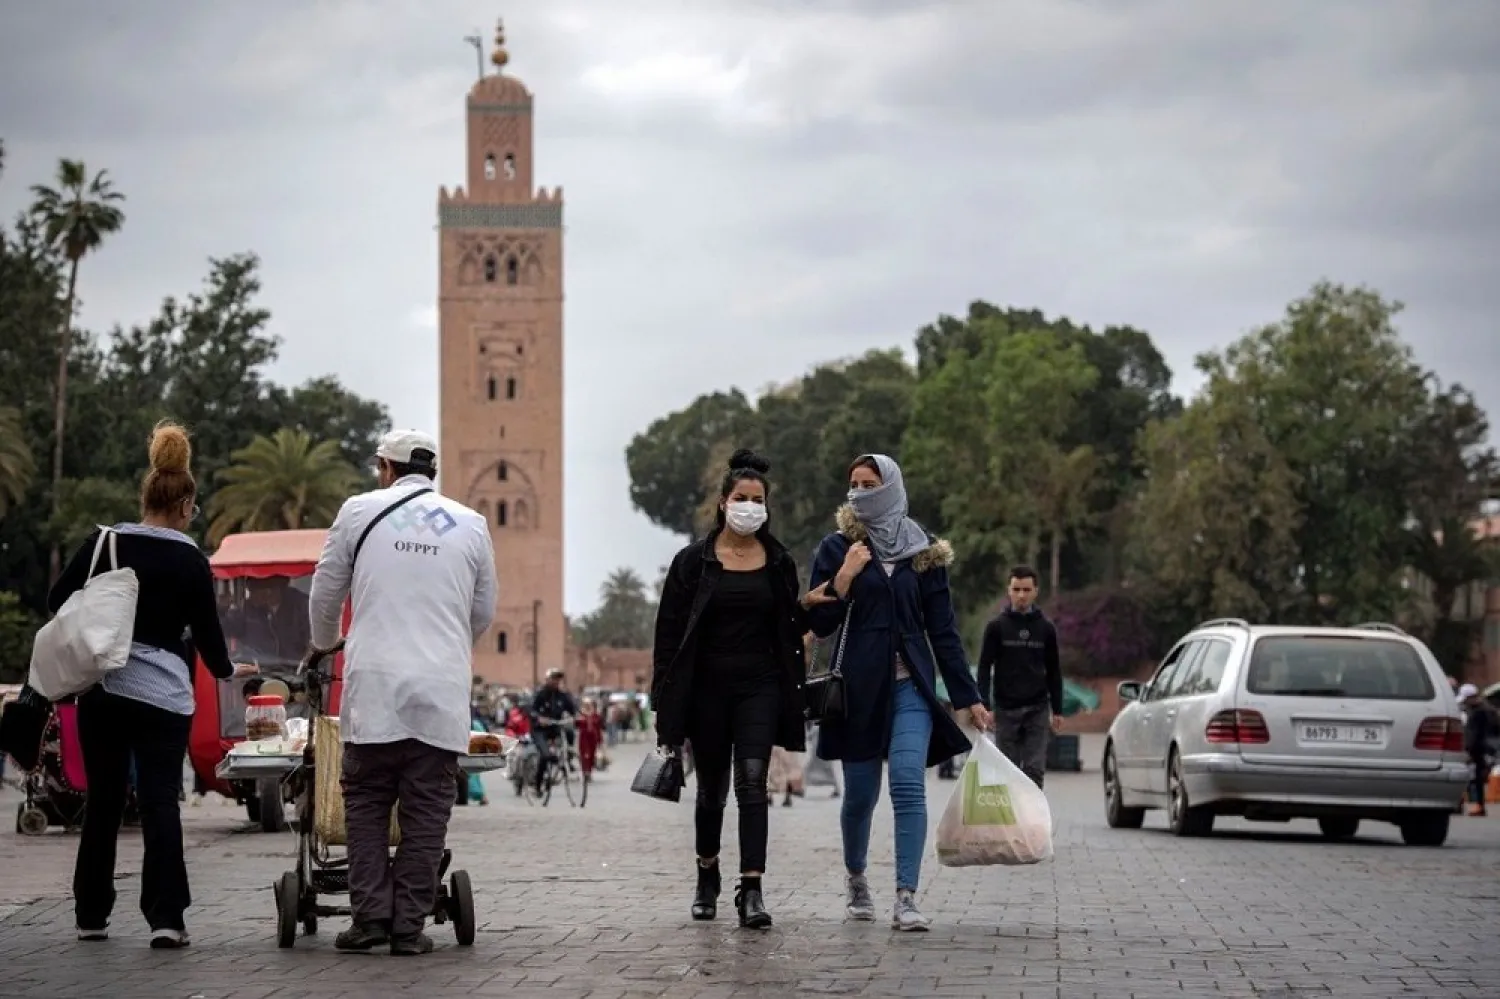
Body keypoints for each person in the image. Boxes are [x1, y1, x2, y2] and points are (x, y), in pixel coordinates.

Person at [50, 421, 247, 948]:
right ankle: (166, 919)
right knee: (161, 802)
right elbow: (208, 641)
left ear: (146, 495)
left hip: (103, 692)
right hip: (163, 698)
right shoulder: (189, 559)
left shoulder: (104, 544)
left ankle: (91, 913)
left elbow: (56, 601)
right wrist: (232, 674)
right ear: (185, 504)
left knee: (105, 802)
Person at [308, 429, 497, 956]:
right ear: (430, 471)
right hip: (440, 693)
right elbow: (482, 613)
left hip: (375, 688)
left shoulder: (359, 511)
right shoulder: (472, 524)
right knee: (426, 812)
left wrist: (324, 645)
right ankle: (408, 929)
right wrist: (449, 650)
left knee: (366, 805)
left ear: (385, 468)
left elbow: (326, 591)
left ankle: (370, 920)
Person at [806, 453, 992, 932]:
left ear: (891, 487)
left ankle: (907, 896)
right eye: (853, 485)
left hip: (911, 686)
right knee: (860, 798)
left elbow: (943, 631)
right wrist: (844, 577)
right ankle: (856, 879)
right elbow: (819, 624)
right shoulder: (836, 546)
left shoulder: (923, 552)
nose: (859, 493)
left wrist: (968, 695)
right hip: (858, 691)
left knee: (908, 783)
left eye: (870, 484)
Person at [651, 449, 830, 930]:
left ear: (766, 506)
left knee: (753, 782)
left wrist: (809, 604)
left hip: (760, 687)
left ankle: (751, 888)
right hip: (706, 689)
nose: (749, 506)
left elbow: (788, 627)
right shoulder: (692, 562)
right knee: (712, 792)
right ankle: (706, 874)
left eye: (757, 499)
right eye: (741, 497)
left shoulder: (778, 562)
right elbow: (668, 636)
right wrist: (662, 703)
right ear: (724, 502)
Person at [976, 566, 1063, 789]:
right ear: (1009, 591)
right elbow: (984, 667)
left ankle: (1032, 820)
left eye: (1026, 589)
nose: (1021, 595)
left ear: (1035, 591)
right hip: (1005, 709)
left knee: (1034, 769)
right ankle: (1010, 821)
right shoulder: (996, 628)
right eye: (1016, 589)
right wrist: (985, 705)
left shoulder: (1046, 629)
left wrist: (1058, 709)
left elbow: (1054, 669)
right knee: (1007, 768)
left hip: (1037, 707)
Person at [529, 669, 578, 794]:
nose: (556, 682)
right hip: (539, 730)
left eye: (558, 679)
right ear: (547, 680)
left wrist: (577, 716)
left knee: (570, 732)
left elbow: (573, 709)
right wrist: (538, 718)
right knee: (545, 756)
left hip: (555, 727)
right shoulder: (539, 694)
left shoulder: (562, 695)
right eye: (554, 678)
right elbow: (530, 709)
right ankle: (537, 785)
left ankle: (568, 758)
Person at [1459, 684, 1496, 817]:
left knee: (1477, 778)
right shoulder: (1487, 709)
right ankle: (1477, 804)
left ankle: (1478, 806)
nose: (1465, 703)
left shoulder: (1478, 712)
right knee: (1478, 777)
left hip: (1480, 748)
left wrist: (1468, 749)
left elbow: (1474, 733)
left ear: (1471, 698)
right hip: (1486, 748)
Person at [577, 697, 604, 783]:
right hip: (584, 739)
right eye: (586, 704)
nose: (588, 706)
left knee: (592, 756)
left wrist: (600, 741)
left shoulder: (596, 715)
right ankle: (585, 773)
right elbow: (576, 724)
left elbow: (599, 728)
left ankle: (589, 772)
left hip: (593, 738)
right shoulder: (581, 715)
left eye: (589, 704)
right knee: (585, 756)